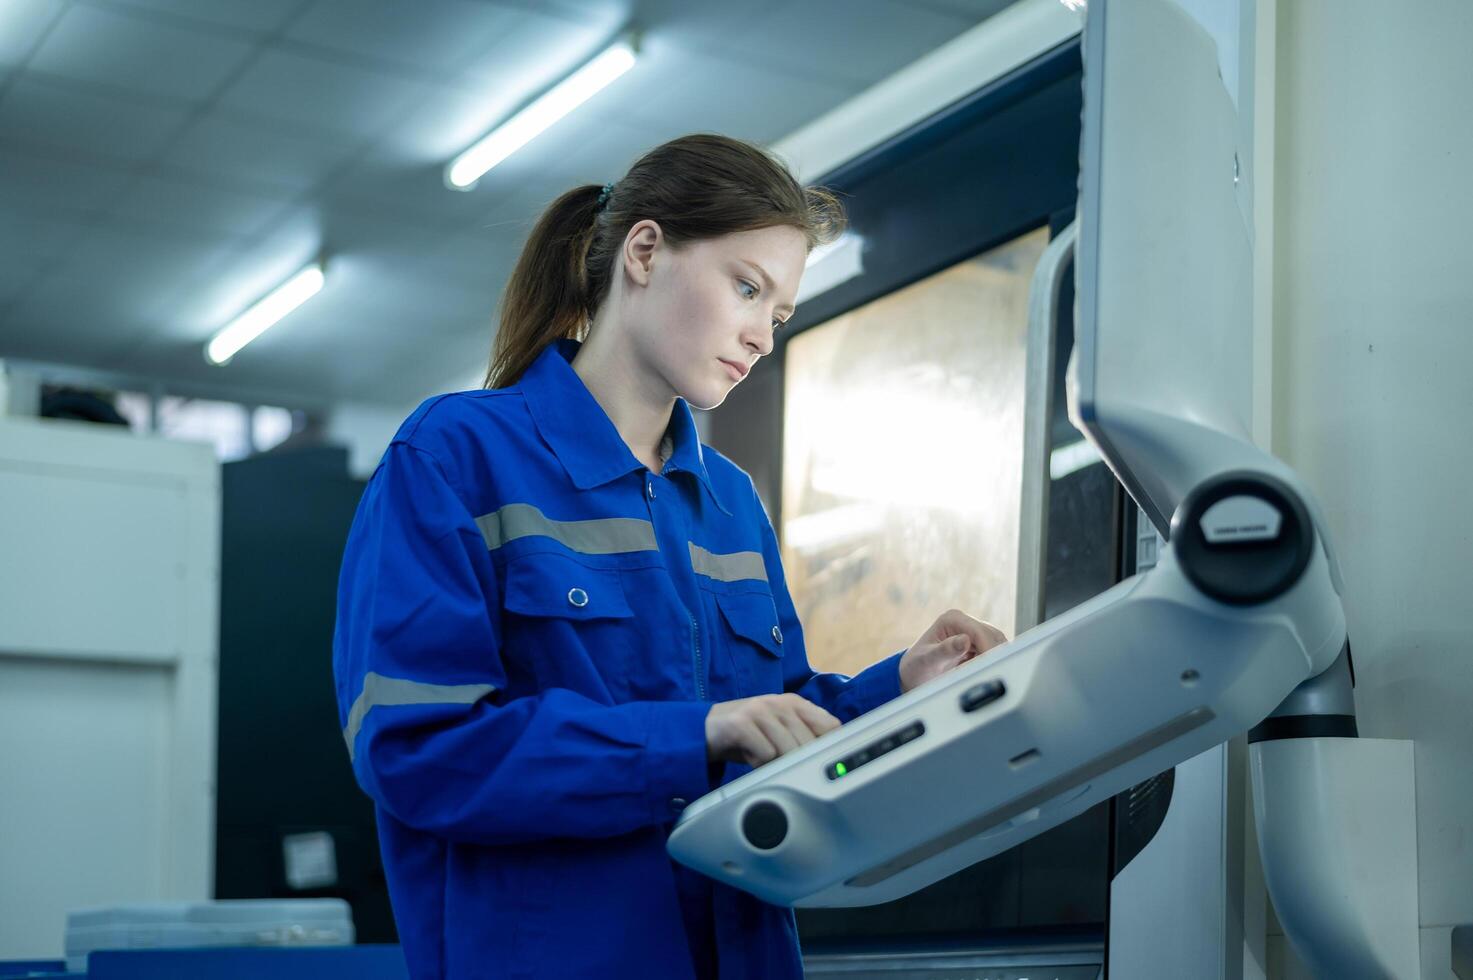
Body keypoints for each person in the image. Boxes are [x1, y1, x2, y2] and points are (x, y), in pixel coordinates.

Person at [333, 132, 1007, 980]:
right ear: (646, 252)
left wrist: (898, 687)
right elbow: (416, 750)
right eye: (747, 287)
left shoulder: (728, 500)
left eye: (779, 313)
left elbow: (775, 717)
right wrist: (692, 736)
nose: (762, 336)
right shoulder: (453, 456)